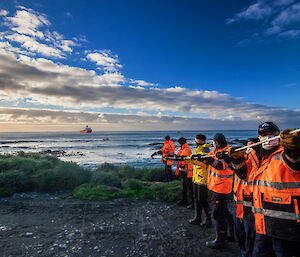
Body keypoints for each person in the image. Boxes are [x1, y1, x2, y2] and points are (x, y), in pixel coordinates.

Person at [227, 122, 300, 257]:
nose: (268, 138)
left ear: (278, 136)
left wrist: (293, 148)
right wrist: (236, 160)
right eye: (263, 135)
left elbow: (294, 160)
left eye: (272, 135)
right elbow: (243, 174)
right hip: (261, 223)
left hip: (286, 227)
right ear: (258, 137)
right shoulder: (255, 156)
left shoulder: (285, 153)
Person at [193, 133, 234, 249]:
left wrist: (210, 161)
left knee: (217, 214)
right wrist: (200, 157)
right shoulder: (216, 149)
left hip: (221, 186)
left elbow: (221, 166)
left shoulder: (228, 152)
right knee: (225, 211)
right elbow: (209, 157)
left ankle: (220, 241)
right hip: (217, 185)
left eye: (214, 141)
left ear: (217, 142)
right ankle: (233, 234)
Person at [184, 134, 212, 227]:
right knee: (197, 199)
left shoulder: (205, 150)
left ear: (197, 141)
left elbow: (203, 164)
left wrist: (190, 160)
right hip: (196, 177)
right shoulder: (199, 149)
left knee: (202, 200)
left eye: (195, 140)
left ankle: (209, 219)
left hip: (203, 179)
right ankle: (198, 217)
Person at [175, 137, 194, 208]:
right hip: (183, 171)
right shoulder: (182, 148)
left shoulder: (186, 149)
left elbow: (181, 157)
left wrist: (175, 157)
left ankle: (192, 204)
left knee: (189, 188)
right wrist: (174, 156)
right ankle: (184, 200)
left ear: (180, 143)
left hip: (187, 172)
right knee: (184, 187)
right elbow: (178, 156)